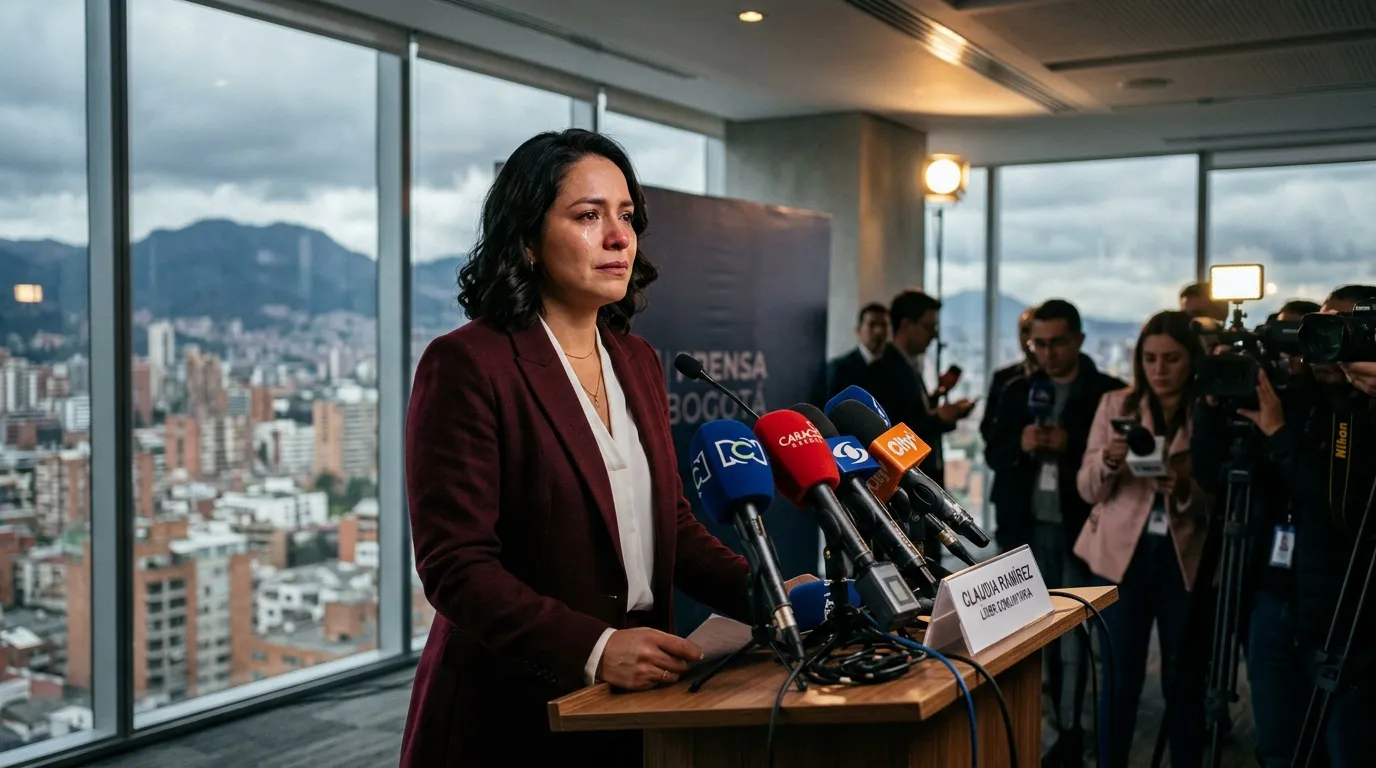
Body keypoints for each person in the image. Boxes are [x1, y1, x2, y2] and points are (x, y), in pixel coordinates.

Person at [401, 129, 774, 766]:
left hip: (641, 699)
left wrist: (767, 592)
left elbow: (671, 529)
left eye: (626, 216)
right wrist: (595, 648)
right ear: (524, 239)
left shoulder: (637, 360)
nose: (619, 237)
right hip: (509, 709)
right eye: (588, 215)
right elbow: (456, 567)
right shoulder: (467, 363)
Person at [985, 298, 1125, 762]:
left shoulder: (1107, 393)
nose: (1047, 354)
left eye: (1057, 343)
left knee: (1076, 634)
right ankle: (1031, 728)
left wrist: (1071, 448)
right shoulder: (1015, 390)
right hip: (1024, 528)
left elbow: (1112, 465)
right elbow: (993, 453)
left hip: (1079, 529)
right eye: (1038, 344)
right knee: (1022, 633)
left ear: (1079, 340)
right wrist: (1020, 446)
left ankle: (1072, 728)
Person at [1076, 311, 1207, 768]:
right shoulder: (1117, 405)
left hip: (1182, 555)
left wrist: (1186, 489)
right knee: (1119, 675)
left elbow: (1223, 497)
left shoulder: (1206, 410)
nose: (1160, 369)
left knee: (1185, 677)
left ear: (1192, 360)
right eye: (1150, 358)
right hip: (1119, 557)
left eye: (1172, 359)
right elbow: (1087, 489)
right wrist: (1110, 463)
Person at [866, 289, 977, 557]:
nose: (934, 335)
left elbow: (909, 416)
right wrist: (938, 419)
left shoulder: (907, 365)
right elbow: (891, 435)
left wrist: (938, 404)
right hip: (906, 493)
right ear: (905, 324)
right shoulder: (884, 370)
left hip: (919, 486)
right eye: (929, 326)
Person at [980, 307, 1037, 445]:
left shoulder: (1061, 379)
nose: (1029, 339)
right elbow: (988, 430)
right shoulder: (1004, 378)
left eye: (1034, 331)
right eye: (1024, 331)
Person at [824, 302, 889, 399]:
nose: (878, 331)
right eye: (872, 325)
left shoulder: (896, 369)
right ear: (859, 330)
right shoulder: (840, 369)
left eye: (883, 325)